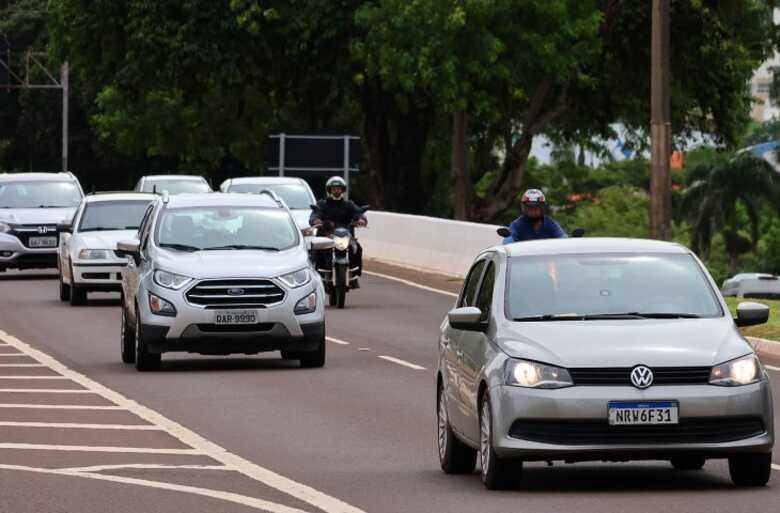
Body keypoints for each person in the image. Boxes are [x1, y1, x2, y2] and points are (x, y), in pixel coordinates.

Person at [309, 176, 368, 284]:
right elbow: (315, 214)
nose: (336, 190)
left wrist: (361, 219)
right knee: (315, 250)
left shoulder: (349, 204)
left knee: (357, 248)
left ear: (343, 190)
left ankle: (354, 274)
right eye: (334, 188)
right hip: (327, 235)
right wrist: (316, 220)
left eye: (339, 188)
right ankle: (314, 274)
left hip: (345, 235)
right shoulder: (322, 204)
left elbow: (358, 213)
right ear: (329, 189)